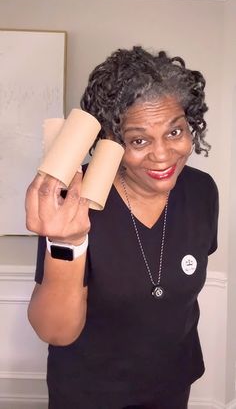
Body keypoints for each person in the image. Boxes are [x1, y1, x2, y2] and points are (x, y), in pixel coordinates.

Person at [25, 46, 219, 409]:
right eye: (139, 140)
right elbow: (54, 331)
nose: (162, 155)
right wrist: (67, 240)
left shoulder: (202, 191)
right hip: (89, 394)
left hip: (173, 383)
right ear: (112, 142)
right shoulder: (76, 201)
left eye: (175, 132)